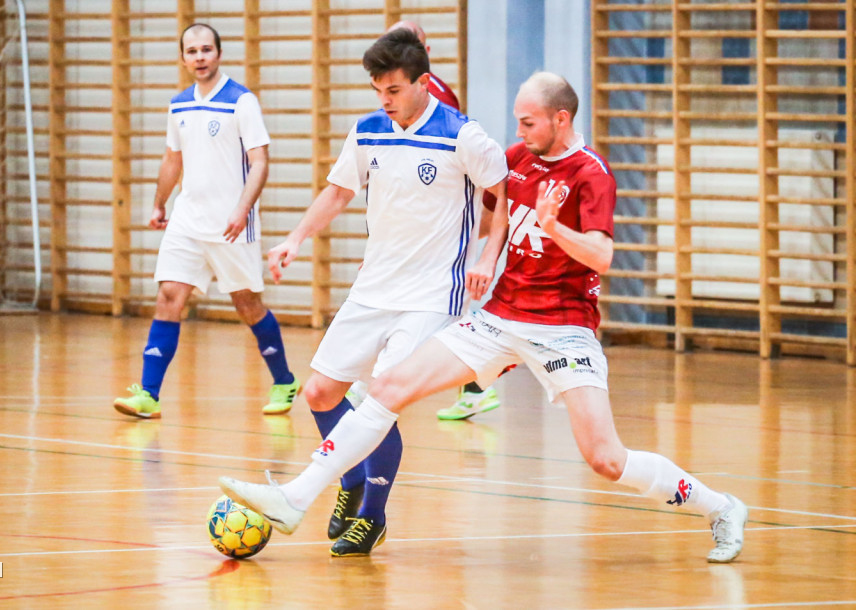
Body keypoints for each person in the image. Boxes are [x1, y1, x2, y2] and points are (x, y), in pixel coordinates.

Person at [219, 72, 749, 564]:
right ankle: (295, 497)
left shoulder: (592, 174)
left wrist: (554, 228)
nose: (516, 130)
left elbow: (602, 257)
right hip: (499, 318)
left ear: (559, 119)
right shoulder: (518, 157)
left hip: (563, 328)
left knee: (606, 459)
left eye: (527, 120)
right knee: (387, 388)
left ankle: (720, 507)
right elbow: (498, 214)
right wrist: (488, 256)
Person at [261, 27, 509, 556]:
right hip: (373, 287)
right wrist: (295, 238)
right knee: (320, 393)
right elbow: (339, 191)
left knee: (382, 397)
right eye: (378, 91)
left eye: (393, 90)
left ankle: (372, 517)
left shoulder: (462, 135)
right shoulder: (370, 129)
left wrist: (488, 255)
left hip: (429, 297)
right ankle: (349, 480)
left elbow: (502, 191)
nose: (384, 100)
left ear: (423, 84)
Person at [114, 23, 298, 419]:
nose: (199, 57)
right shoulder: (178, 104)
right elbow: (172, 159)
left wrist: (242, 208)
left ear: (218, 53)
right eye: (192, 51)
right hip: (188, 220)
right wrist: (159, 203)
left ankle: (284, 380)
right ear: (182, 58)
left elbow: (261, 161)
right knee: (168, 298)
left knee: (247, 304)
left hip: (233, 224)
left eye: (206, 50)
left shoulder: (241, 102)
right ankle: (148, 394)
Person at [386, 19, 503, 423]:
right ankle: (474, 388)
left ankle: (477, 383)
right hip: (423, 218)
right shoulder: (397, 93)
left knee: (444, 301)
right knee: (435, 302)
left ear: (425, 52)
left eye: (408, 43)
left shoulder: (435, 96)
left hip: (449, 214)